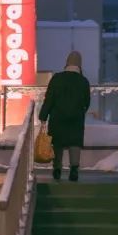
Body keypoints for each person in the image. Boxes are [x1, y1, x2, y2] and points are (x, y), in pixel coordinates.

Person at [39, 50, 91, 182]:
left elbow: (49, 98)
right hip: (76, 118)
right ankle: (74, 169)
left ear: (66, 64)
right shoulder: (83, 81)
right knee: (75, 143)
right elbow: (87, 101)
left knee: (57, 143)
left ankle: (57, 168)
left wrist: (43, 115)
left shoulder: (57, 78)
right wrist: (80, 111)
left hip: (57, 117)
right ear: (80, 65)